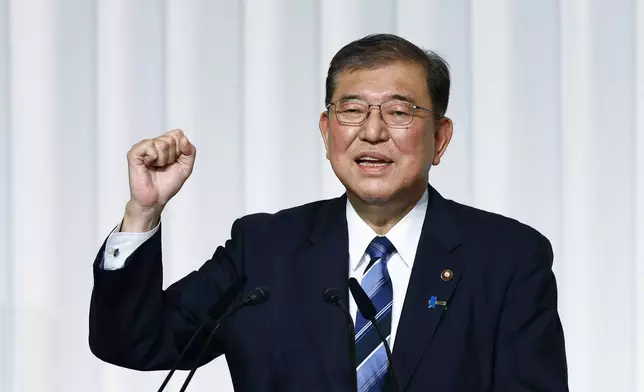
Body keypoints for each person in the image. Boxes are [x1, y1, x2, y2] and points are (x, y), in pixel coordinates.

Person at [88, 33, 568, 392]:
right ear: (326, 131)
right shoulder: (265, 249)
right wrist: (143, 211)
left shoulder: (507, 258)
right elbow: (133, 342)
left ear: (440, 139)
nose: (373, 132)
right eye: (352, 111)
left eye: (399, 112)